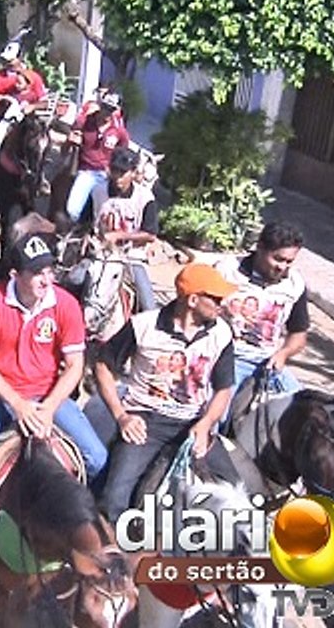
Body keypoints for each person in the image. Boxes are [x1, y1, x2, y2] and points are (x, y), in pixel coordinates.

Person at [0, 234, 106, 568]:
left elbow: (75, 364)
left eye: (49, 271)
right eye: (36, 273)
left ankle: (82, 525)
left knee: (97, 456)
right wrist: (17, 404)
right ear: (15, 276)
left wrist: (48, 407)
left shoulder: (65, 304)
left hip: (49, 395)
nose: (46, 280)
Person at [84, 264, 241, 522]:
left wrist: (205, 425)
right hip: (146, 423)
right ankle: (116, 557)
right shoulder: (143, 326)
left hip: (193, 424)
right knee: (113, 499)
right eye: (215, 298)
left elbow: (224, 389)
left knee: (236, 491)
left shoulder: (221, 333)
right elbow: (103, 364)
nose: (221, 304)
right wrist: (121, 416)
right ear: (192, 300)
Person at [216, 221, 310, 399]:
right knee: (220, 414)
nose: (282, 267)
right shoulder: (226, 271)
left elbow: (298, 334)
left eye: (289, 261)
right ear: (260, 248)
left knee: (304, 410)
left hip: (267, 361)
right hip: (228, 358)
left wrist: (284, 353)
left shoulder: (295, 285)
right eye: (278, 259)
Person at [91, 146, 159, 311]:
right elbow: (86, 222)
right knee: (75, 280)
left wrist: (118, 235)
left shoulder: (145, 199)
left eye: (123, 173)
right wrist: (87, 236)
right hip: (100, 254)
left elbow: (150, 234)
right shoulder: (98, 191)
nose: (117, 178)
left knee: (149, 306)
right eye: (114, 171)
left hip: (131, 257)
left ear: (134, 173)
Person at [65, 94, 130, 224]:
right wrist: (71, 140)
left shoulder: (119, 131)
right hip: (86, 171)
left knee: (106, 213)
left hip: (106, 176)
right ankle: (75, 231)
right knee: (72, 210)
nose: (107, 112)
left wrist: (113, 170)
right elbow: (68, 143)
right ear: (100, 105)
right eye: (105, 107)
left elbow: (123, 154)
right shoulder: (84, 121)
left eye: (111, 109)